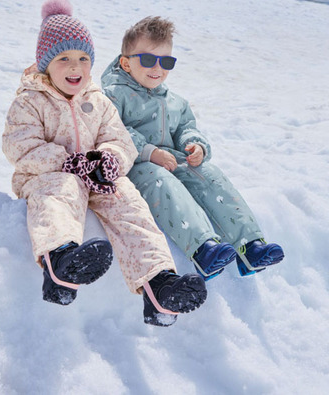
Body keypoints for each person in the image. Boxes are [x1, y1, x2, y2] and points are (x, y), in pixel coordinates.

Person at [2, 0, 207, 326]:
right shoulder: (30, 102)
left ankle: (160, 285)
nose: (75, 67)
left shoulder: (97, 100)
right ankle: (62, 262)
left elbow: (119, 139)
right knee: (61, 189)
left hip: (95, 178)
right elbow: (19, 147)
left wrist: (107, 161)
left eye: (83, 58)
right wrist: (69, 162)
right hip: (47, 177)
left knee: (128, 201)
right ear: (45, 63)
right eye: (64, 58)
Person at [101, 16, 284, 281]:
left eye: (166, 61)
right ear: (126, 62)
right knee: (163, 181)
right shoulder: (112, 94)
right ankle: (203, 250)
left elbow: (186, 126)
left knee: (209, 176)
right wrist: (150, 152)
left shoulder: (174, 101)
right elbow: (112, 129)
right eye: (149, 60)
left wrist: (193, 144)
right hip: (138, 167)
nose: (158, 68)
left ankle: (250, 246)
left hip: (174, 161)